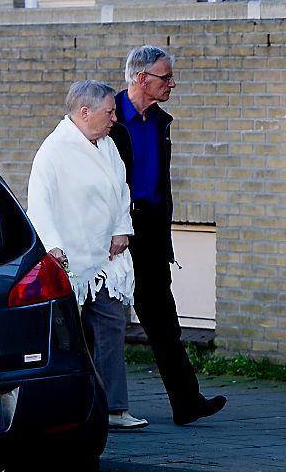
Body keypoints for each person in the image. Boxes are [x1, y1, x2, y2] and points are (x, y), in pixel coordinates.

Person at [109, 45, 227, 426]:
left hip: (152, 228)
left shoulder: (160, 121)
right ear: (141, 78)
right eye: (166, 77)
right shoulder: (107, 115)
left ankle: (186, 403)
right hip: (113, 233)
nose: (172, 83)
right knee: (102, 321)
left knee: (163, 318)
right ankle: (101, 406)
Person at [27, 80, 148, 430]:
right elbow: (40, 202)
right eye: (109, 111)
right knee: (68, 338)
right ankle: (65, 409)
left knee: (111, 325)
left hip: (105, 259)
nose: (114, 118)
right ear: (85, 112)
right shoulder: (54, 150)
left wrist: (121, 228)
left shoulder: (107, 145)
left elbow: (121, 190)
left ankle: (115, 408)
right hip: (69, 260)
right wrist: (52, 245)